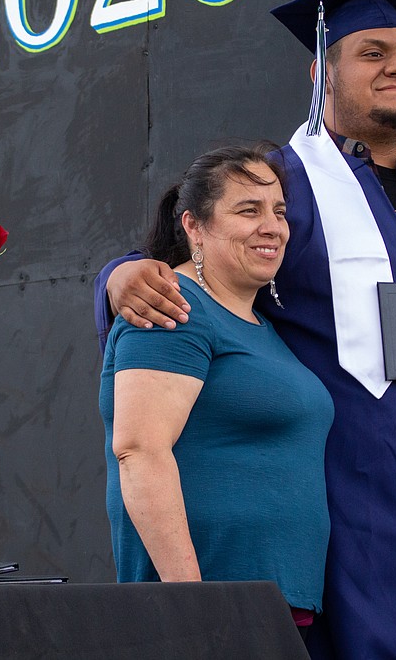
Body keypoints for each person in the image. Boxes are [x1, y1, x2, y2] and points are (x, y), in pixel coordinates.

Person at [94, 0, 396, 659]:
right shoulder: (287, 184)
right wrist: (119, 277)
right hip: (363, 482)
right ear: (322, 74)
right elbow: (184, 256)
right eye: (372, 53)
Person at [98, 144, 334, 630]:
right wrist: (192, 604)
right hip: (209, 610)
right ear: (194, 227)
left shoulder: (260, 325)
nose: (272, 226)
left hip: (267, 603)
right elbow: (139, 452)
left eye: (279, 211)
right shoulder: (174, 308)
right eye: (248, 210)